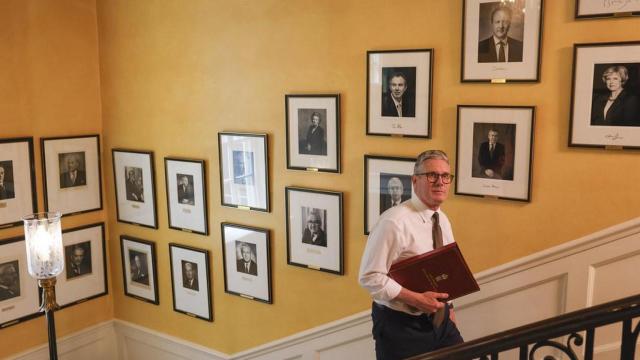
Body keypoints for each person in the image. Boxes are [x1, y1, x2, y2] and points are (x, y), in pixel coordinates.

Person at [359, 150, 463, 359]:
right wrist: (416, 299)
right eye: (432, 175)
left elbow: (444, 270)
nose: (440, 182)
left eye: (445, 176)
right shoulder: (393, 222)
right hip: (401, 328)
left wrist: (449, 309)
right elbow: (369, 277)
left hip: (441, 322)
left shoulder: (442, 219)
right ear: (415, 181)